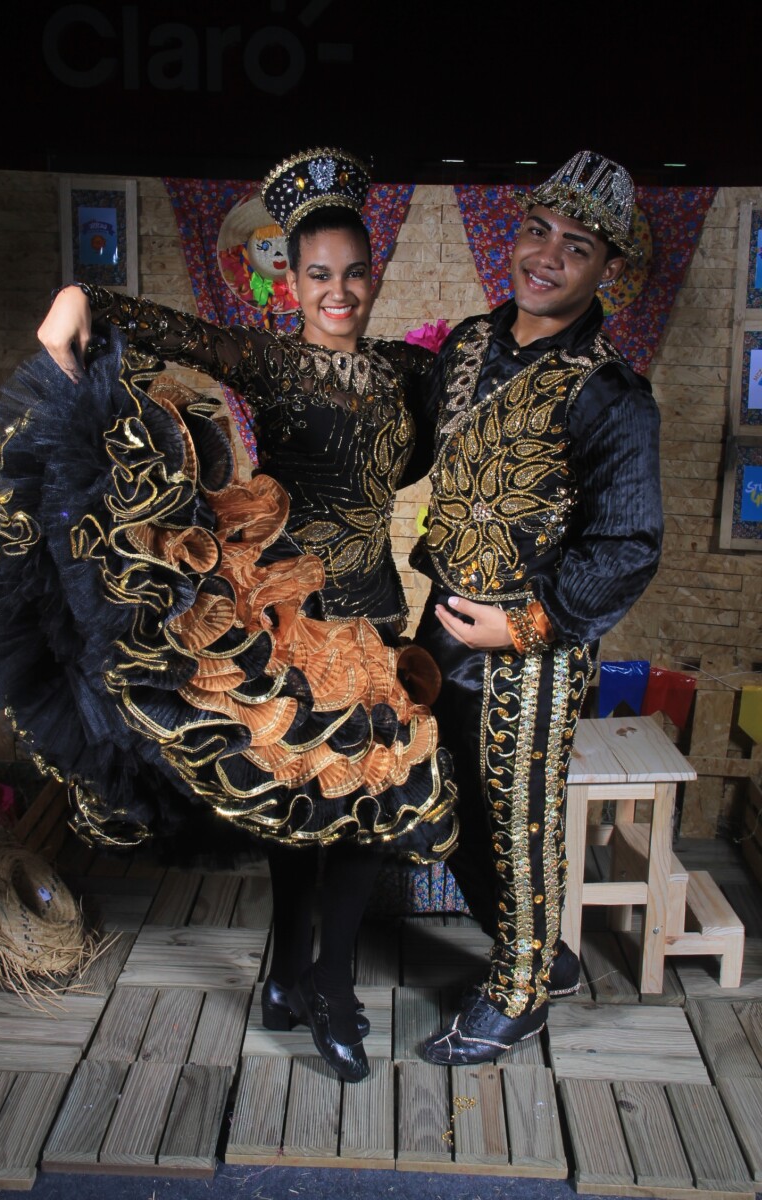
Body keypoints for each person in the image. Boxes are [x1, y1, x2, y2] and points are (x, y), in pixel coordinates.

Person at [0, 147, 456, 1084]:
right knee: (300, 810)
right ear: (292, 281)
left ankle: (307, 982)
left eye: (356, 272)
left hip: (377, 617)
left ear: (376, 273)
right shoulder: (268, 360)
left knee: (367, 810)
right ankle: (307, 981)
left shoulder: (407, 371)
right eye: (319, 274)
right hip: (292, 621)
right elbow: (165, 330)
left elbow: (439, 431)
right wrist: (80, 297)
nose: (340, 292)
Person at [409, 150, 664, 1064]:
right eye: (537, 231)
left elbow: (628, 545)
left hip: (534, 645)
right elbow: (417, 447)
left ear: (608, 270)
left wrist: (523, 625)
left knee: (519, 818)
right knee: (438, 800)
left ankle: (519, 993)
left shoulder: (611, 393)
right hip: (443, 622)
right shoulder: (468, 344)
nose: (547, 257)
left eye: (577, 246)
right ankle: (541, 954)